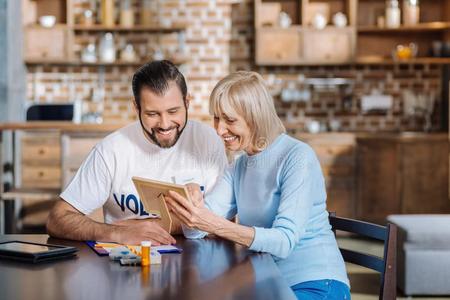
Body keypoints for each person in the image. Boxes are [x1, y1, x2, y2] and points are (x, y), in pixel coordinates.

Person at [165, 71, 351, 299]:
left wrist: (213, 224)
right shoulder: (239, 166)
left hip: (317, 284)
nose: (219, 130)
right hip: (269, 283)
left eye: (230, 120)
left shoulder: (298, 157)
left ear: (255, 118)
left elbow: (284, 241)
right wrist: (192, 203)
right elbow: (195, 232)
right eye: (216, 118)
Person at [46, 60, 228, 246]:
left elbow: (223, 219)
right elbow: (57, 219)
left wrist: (155, 226)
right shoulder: (110, 150)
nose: (165, 124)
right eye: (152, 114)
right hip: (125, 266)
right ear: (136, 108)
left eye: (173, 111)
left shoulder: (208, 141)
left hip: (196, 264)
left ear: (187, 102)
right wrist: (116, 233)